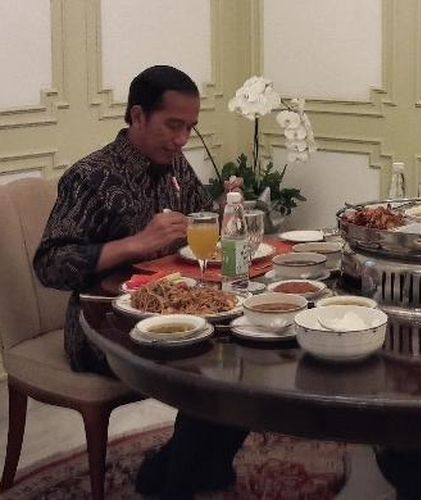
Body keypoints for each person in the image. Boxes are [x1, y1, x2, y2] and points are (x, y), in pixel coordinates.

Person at [34, 65, 248, 499]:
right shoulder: (91, 176)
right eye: (173, 125)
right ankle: (174, 483)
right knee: (211, 378)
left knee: (244, 362)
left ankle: (186, 470)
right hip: (104, 327)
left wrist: (224, 213)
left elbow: (204, 226)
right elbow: (50, 264)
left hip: (176, 310)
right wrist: (136, 243)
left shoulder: (174, 167)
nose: (183, 139)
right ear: (136, 116)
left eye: (190, 127)